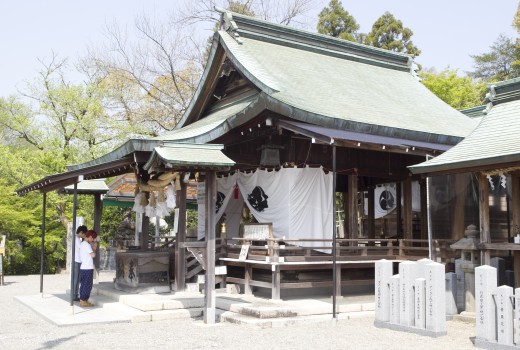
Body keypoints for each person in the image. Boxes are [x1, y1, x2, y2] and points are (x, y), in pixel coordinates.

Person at [79, 230, 98, 307]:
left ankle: (83, 300)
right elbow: (93, 255)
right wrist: (94, 248)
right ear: (90, 237)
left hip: (83, 267)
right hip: (87, 267)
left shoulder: (82, 244)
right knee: (88, 285)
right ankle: (84, 300)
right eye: (93, 238)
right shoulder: (86, 245)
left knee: (83, 284)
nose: (93, 240)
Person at [73, 225, 87, 302]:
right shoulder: (77, 239)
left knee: (77, 279)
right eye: (84, 234)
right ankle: (74, 295)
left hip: (77, 260)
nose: (84, 236)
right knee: (76, 279)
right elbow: (82, 248)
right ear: (81, 232)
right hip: (77, 261)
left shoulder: (77, 239)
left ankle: (75, 294)